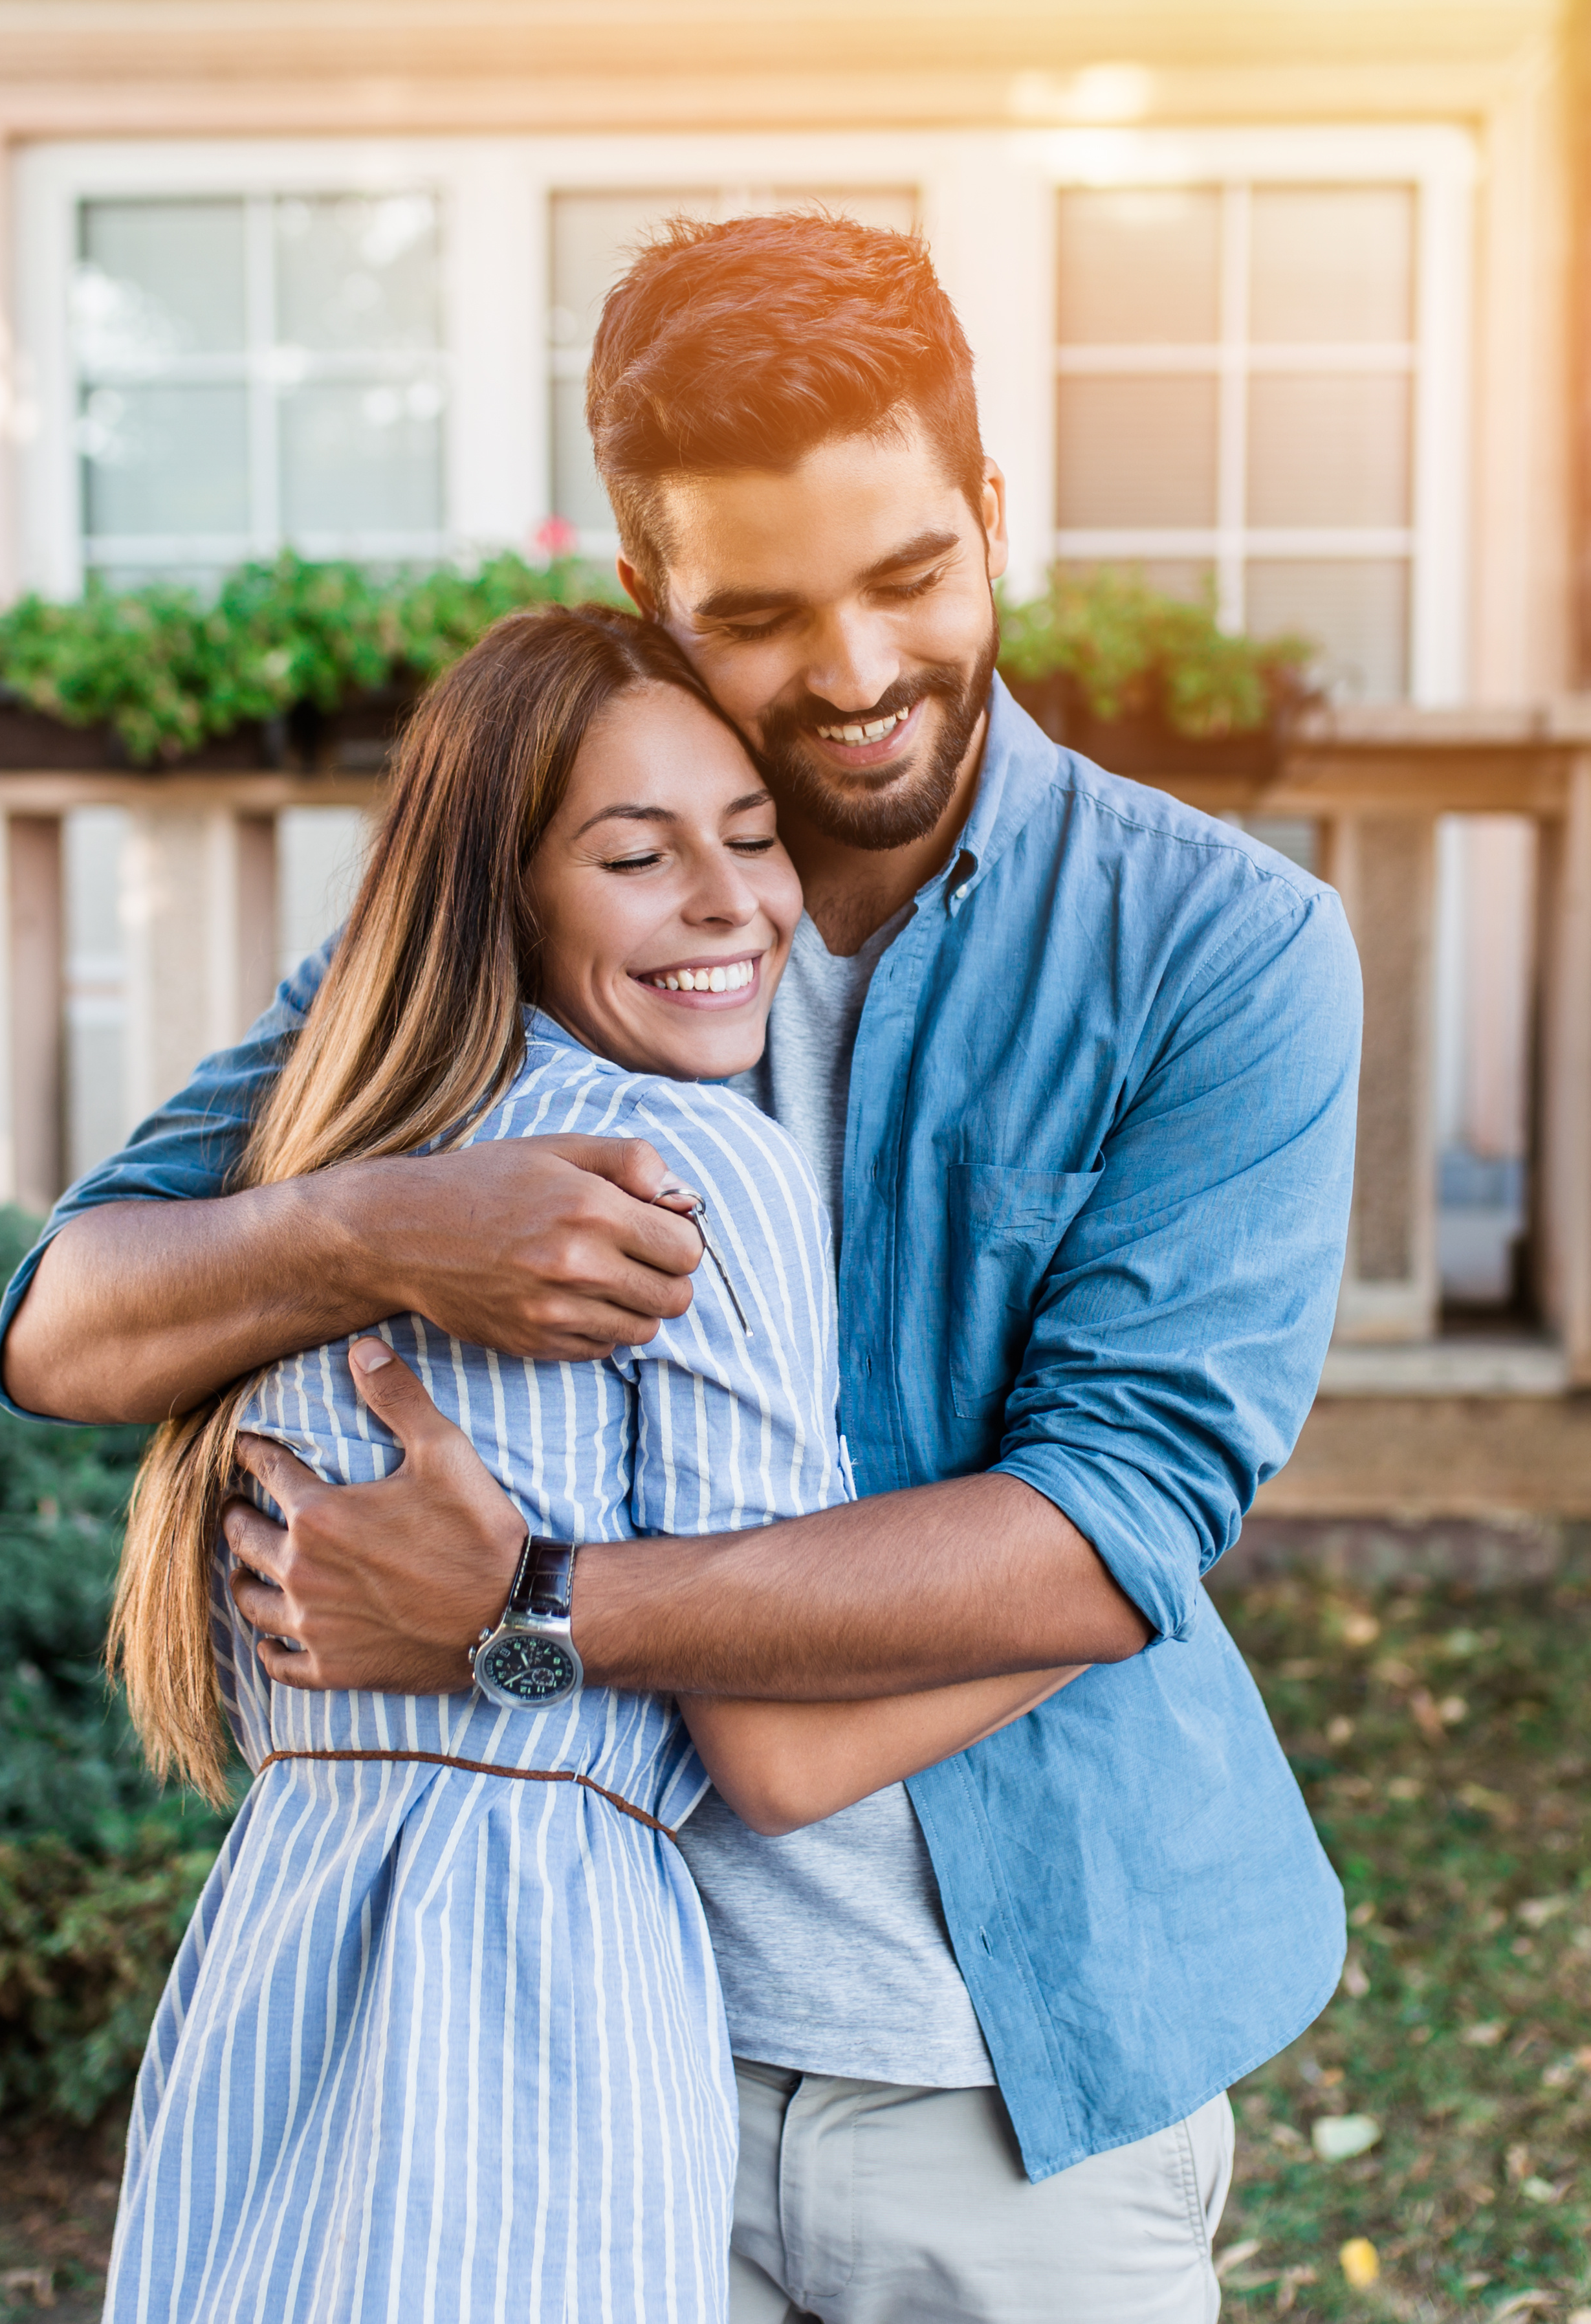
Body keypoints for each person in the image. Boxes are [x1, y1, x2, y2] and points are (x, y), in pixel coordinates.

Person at [0, 213, 1361, 2323]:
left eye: (909, 575)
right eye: (758, 613)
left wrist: (523, 1616)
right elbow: (72, 1324)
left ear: (991, 511)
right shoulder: (519, 909)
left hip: (1022, 2066)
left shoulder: (1216, 951)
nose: (851, 671)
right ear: (649, 599)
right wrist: (376, 1226)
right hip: (588, 2036)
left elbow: (1116, 1527)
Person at [101, 601, 1079, 2324]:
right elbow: (770, 1745)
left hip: (281, 1939)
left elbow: (61, 1324)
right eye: (638, 856)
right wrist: (1104, 1593)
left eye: (754, 839)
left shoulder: (293, 1171)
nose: (728, 902)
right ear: (508, 891)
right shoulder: (687, 1164)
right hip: (541, 1975)